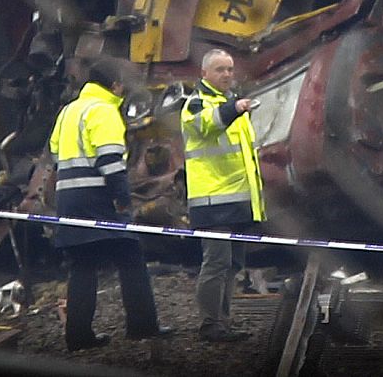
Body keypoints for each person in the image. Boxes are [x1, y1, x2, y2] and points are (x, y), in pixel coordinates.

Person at [48, 57, 170, 350]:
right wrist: (122, 199)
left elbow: (54, 152)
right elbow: (111, 162)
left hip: (69, 199)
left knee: (82, 265)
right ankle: (142, 326)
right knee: (130, 255)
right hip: (98, 198)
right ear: (115, 85)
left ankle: (78, 336)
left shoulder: (69, 111)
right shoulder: (104, 111)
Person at [181, 48, 266, 342]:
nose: (227, 75)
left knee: (233, 265)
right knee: (216, 263)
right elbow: (206, 124)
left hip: (237, 200)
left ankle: (222, 323)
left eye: (230, 69)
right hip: (212, 202)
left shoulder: (232, 103)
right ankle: (209, 324)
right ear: (204, 73)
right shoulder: (196, 104)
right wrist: (235, 109)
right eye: (220, 70)